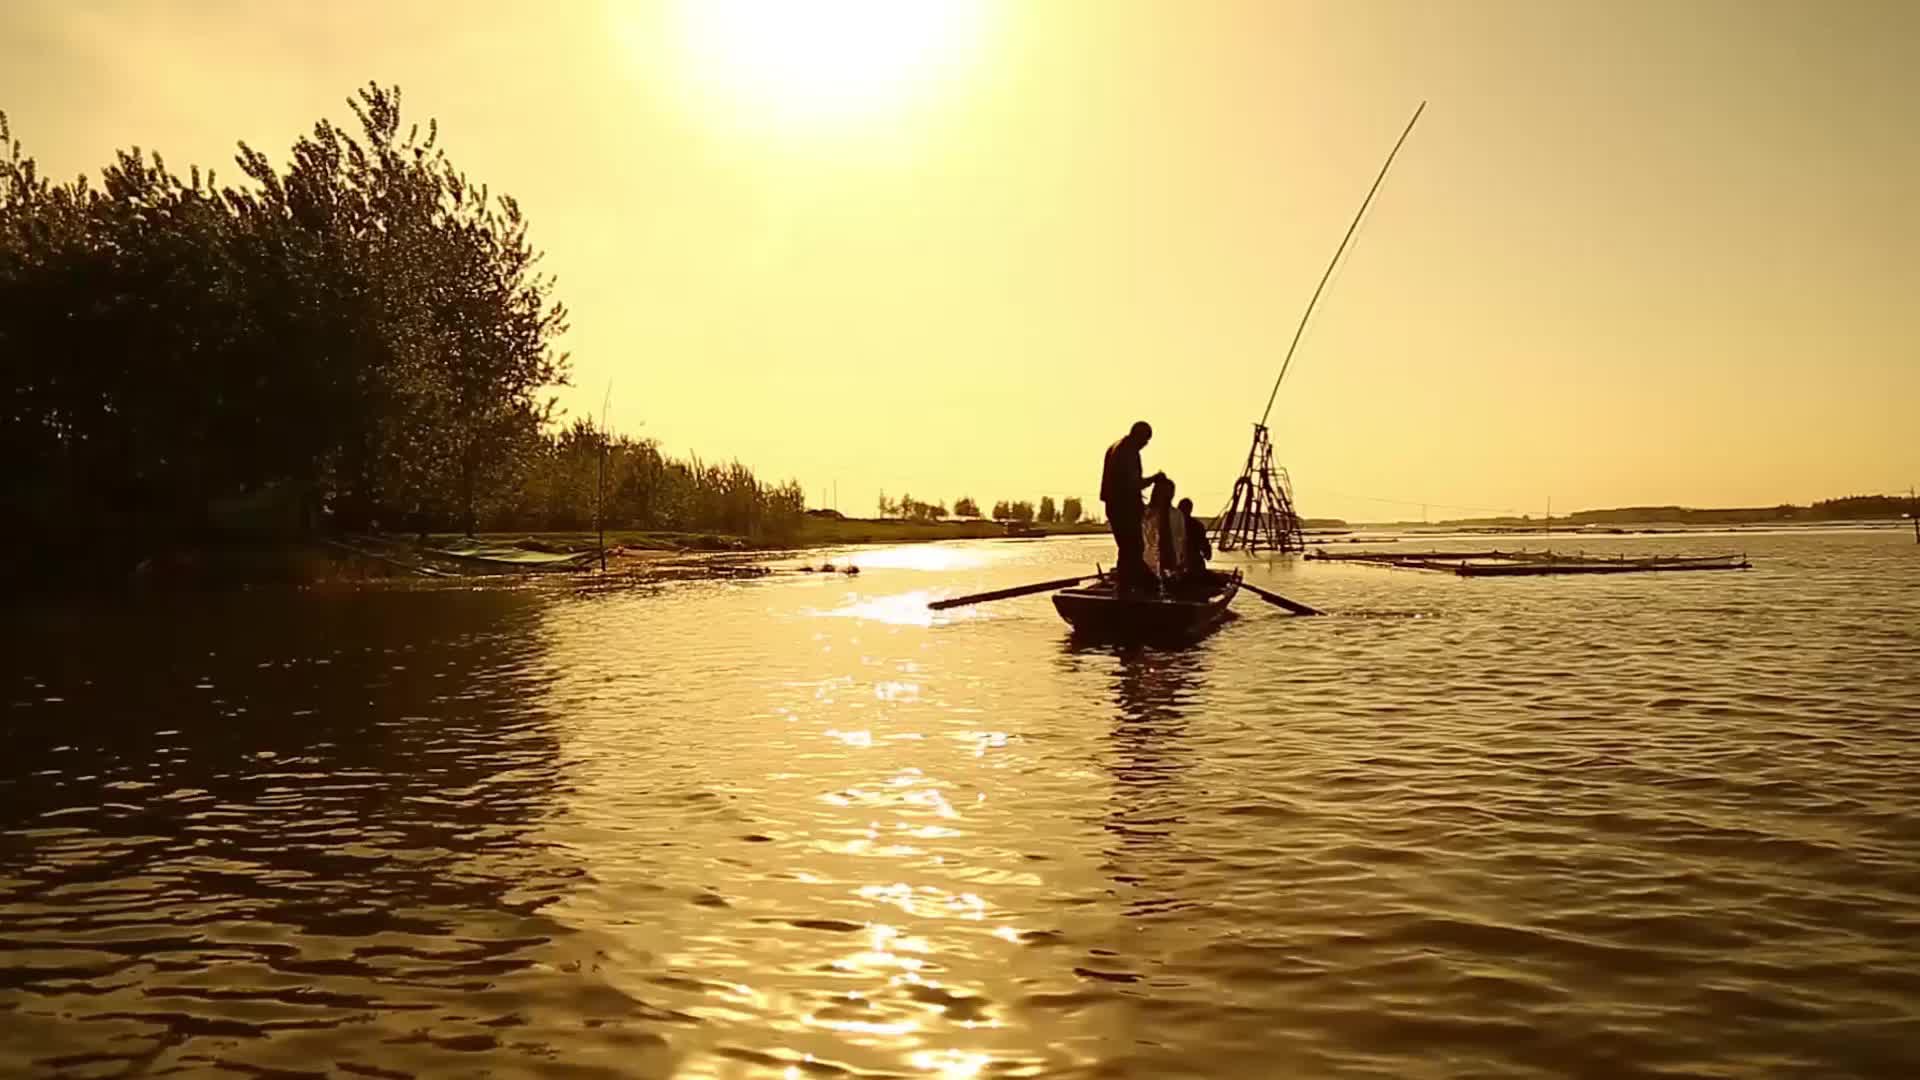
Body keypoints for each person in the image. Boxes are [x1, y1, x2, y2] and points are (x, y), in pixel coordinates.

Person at [1100, 421, 1162, 594]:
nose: (1146, 444)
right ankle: (1130, 588)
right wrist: (1154, 479)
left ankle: (1126, 586)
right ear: (1138, 435)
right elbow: (1133, 484)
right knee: (1133, 548)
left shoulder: (1114, 447)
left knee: (1128, 549)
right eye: (1146, 440)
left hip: (1114, 507)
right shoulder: (1128, 451)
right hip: (1124, 508)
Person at [1177, 497, 1212, 580]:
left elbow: (1205, 547)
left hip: (1192, 565)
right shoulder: (1197, 525)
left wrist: (1207, 552)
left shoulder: (1197, 526)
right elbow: (1206, 551)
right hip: (1188, 565)